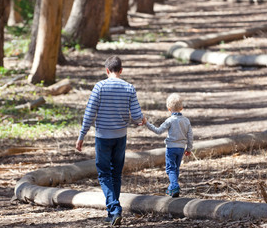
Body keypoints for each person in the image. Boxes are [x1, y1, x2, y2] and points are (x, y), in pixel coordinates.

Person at [76, 56, 145, 226]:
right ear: (121, 70)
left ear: (107, 70)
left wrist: (81, 136)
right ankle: (111, 211)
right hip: (120, 137)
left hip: (103, 137)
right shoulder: (129, 88)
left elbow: (89, 114)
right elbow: (136, 116)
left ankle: (114, 209)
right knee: (115, 173)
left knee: (104, 173)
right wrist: (141, 119)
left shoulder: (99, 87)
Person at [143, 93, 193, 197]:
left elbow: (158, 131)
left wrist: (147, 123)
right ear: (182, 108)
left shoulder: (170, 120)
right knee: (176, 169)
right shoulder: (186, 121)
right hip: (181, 148)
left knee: (170, 169)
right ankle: (171, 189)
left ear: (168, 108)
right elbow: (190, 135)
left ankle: (174, 186)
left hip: (171, 148)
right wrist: (189, 148)